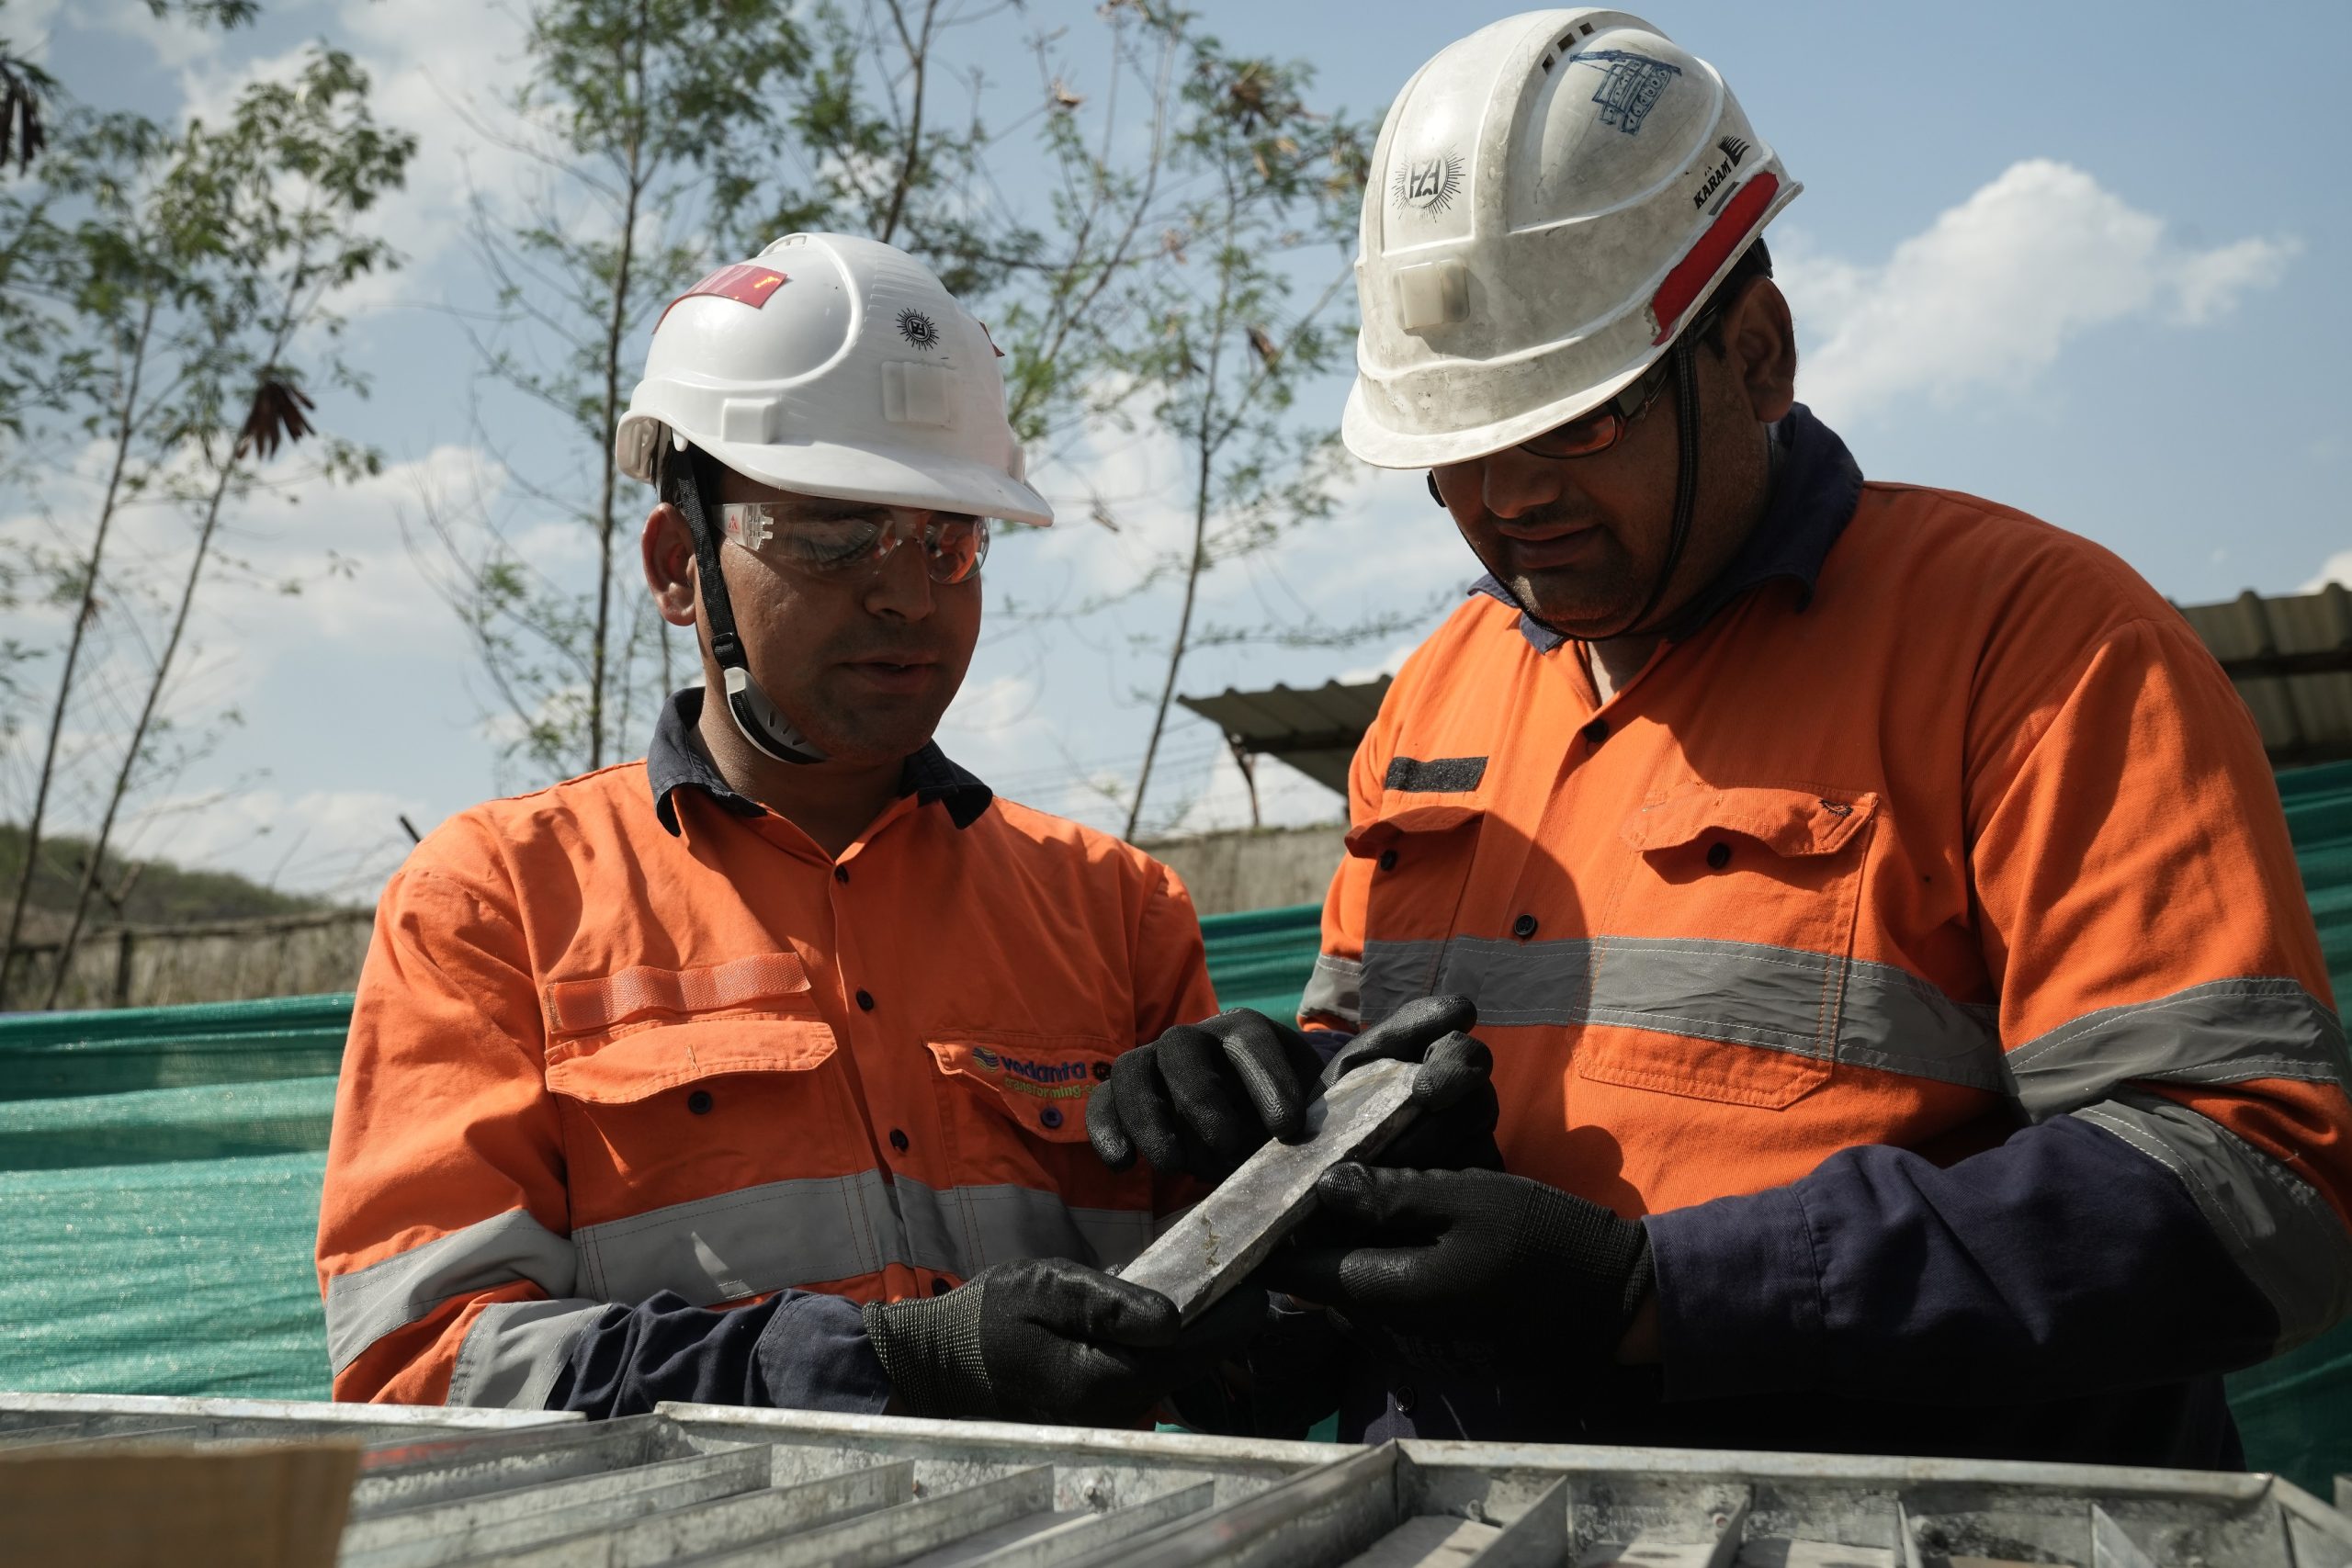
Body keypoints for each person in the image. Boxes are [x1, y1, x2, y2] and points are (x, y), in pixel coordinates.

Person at [1087, 11, 2352, 1466]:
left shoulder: (2035, 647)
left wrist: (1655, 1294)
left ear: (1754, 358)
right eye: (1457, 448)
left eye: (1575, 421)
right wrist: (1272, 1114)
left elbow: (2256, 1194)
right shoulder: (1441, 690)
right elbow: (1358, 1082)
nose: (1509, 499)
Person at [316, 232, 1284, 1425]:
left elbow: (1237, 1354)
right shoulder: (497, 905)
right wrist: (883, 1364)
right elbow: (420, 1368)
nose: (907, 594)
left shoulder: (1116, 912)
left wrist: (1307, 1173)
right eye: (831, 534)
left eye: (950, 542)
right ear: (680, 569)